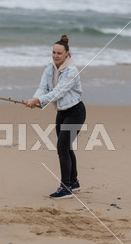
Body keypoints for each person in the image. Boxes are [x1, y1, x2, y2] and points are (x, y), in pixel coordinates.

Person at [25, 35, 86, 199]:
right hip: (62, 112)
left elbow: (58, 92)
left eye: (59, 53)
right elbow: (43, 87)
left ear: (67, 54)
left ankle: (66, 188)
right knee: (66, 147)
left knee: (62, 148)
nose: (55, 55)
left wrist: (39, 101)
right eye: (53, 52)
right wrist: (35, 100)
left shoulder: (72, 70)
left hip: (75, 113)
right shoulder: (50, 67)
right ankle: (74, 182)